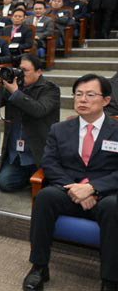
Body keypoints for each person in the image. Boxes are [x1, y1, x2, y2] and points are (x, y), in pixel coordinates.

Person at [23, 74, 118, 291]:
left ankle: (110, 279)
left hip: (106, 194)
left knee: (114, 206)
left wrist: (93, 188)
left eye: (90, 95)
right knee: (45, 196)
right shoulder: (59, 129)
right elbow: (50, 163)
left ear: (105, 100)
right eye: (78, 94)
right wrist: (75, 189)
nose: (82, 99)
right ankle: (39, 267)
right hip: (68, 190)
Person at [0, 54, 60, 192]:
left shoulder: (50, 89)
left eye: (25, 70)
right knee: (4, 184)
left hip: (38, 153)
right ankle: (28, 178)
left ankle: (35, 176)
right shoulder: (16, 86)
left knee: (45, 189)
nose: (20, 73)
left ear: (39, 71)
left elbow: (39, 110)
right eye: (19, 69)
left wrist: (16, 92)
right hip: (16, 154)